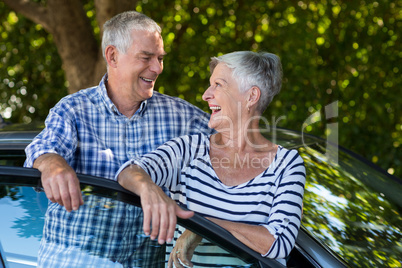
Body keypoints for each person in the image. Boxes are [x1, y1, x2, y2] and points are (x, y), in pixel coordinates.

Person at [24, 11, 213, 267]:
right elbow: (44, 150)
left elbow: (240, 151)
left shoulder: (182, 117)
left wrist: (197, 227)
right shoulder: (73, 110)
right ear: (112, 56)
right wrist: (52, 165)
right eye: (146, 58)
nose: (157, 68)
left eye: (159, 58)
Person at [117, 51, 306, 267]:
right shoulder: (189, 150)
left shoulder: (287, 165)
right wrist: (149, 190)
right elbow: (129, 172)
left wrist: (202, 226)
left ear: (251, 97)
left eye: (218, 84)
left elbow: (278, 243)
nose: (206, 94)